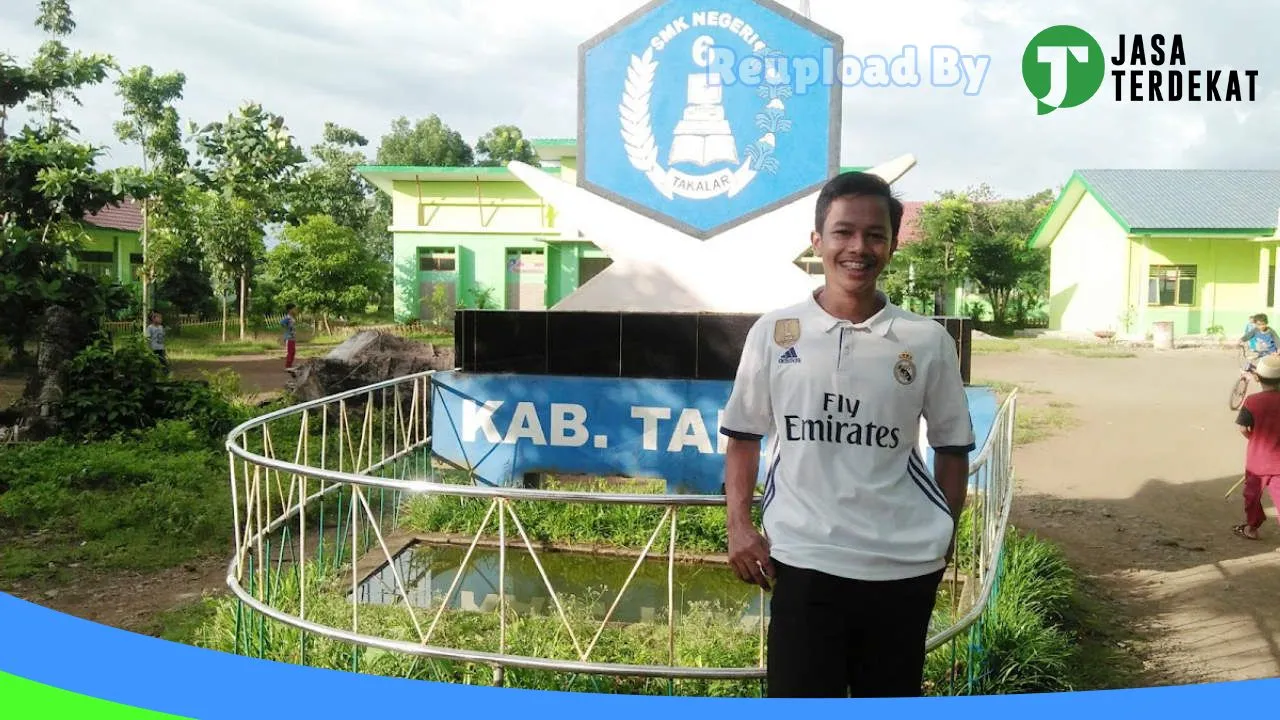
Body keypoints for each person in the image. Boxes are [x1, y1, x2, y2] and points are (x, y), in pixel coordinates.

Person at [718, 171, 975, 699]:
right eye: (842, 232)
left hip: (904, 567)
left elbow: (952, 446)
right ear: (817, 241)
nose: (858, 248)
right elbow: (743, 435)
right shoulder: (774, 331)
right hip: (806, 560)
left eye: (874, 235)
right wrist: (739, 526)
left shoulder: (925, 341)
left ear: (892, 244)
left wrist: (944, 534)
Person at [1234, 354, 1280, 543]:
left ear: (1257, 378)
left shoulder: (1252, 402)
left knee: (1252, 496)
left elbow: (1243, 428)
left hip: (1257, 461)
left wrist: (1255, 438)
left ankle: (1252, 527)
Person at [282, 303, 297, 372]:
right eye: (294, 309)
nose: (295, 310)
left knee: (293, 351)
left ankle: (290, 365)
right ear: (290, 310)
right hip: (289, 337)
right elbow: (282, 323)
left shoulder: (292, 317)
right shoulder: (287, 317)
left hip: (292, 337)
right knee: (290, 351)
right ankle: (287, 366)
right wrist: (288, 329)